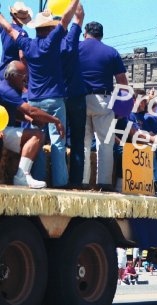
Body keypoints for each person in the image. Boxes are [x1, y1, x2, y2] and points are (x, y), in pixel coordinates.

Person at [0, 0, 79, 188]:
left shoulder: (27, 44)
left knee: (38, 138)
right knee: (58, 143)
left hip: (34, 99)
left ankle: (38, 177)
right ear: (50, 29)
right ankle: (60, 183)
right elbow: (66, 19)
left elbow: (9, 30)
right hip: (54, 97)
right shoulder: (52, 42)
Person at [79, 20, 128, 190]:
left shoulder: (76, 48)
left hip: (80, 99)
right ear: (101, 35)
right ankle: (104, 183)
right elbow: (122, 81)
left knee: (83, 143)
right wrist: (123, 108)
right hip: (103, 100)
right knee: (105, 144)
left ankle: (83, 182)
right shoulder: (111, 52)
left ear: (86, 33)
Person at [0, 60, 64, 188]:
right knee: (37, 136)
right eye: (23, 77)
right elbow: (30, 110)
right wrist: (55, 120)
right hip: (2, 131)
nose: (26, 79)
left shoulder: (10, 88)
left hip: (4, 128)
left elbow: (13, 114)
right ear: (12, 76)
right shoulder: (6, 90)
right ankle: (22, 176)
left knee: (36, 135)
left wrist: (30, 120)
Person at [61, 3, 87, 188]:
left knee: (58, 140)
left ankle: (59, 178)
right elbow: (79, 16)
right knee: (78, 141)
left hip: (58, 95)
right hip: (76, 95)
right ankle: (76, 181)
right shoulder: (70, 42)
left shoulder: (47, 47)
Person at [0, 1, 32, 80]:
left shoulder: (4, 29)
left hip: (2, 72)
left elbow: (3, 22)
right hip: (14, 76)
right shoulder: (22, 33)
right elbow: (22, 56)